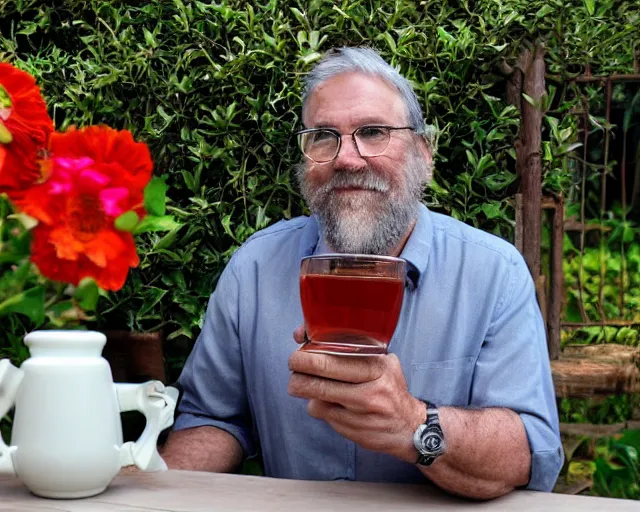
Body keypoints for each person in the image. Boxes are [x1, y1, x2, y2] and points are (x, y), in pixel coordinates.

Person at [161, 47, 563, 499]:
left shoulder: (493, 273)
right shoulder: (254, 268)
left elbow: (530, 452)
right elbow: (214, 418)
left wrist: (412, 424)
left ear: (423, 155)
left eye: (373, 133)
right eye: (323, 136)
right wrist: (153, 485)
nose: (347, 159)